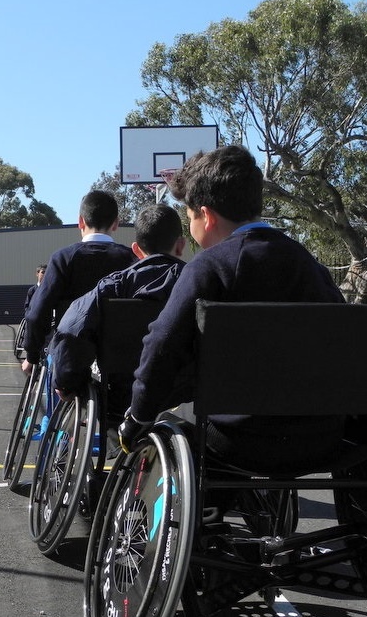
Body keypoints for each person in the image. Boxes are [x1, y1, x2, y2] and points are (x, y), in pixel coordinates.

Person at [119, 145, 346, 473]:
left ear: (206, 216)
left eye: (190, 216)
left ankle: (203, 515)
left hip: (236, 440)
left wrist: (138, 414)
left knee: (174, 418)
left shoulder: (208, 267)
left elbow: (163, 345)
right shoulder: (309, 264)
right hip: (321, 438)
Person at [50, 203, 186, 417]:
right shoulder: (197, 281)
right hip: (183, 396)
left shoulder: (113, 286)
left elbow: (72, 330)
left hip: (121, 397)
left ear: (136, 250)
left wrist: (67, 381)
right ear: (180, 246)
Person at [22, 190, 136, 375]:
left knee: (53, 385)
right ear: (115, 224)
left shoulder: (63, 258)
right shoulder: (130, 260)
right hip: (116, 358)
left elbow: (37, 313)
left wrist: (31, 355)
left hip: (70, 354)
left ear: (81, 222)